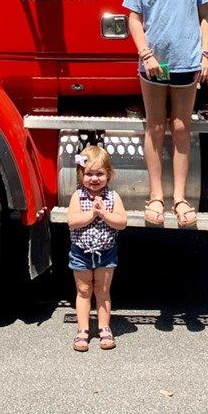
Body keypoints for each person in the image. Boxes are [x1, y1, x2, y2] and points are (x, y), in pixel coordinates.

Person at [123, 0, 208, 228]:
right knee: (156, 127)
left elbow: (206, 16)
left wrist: (207, 55)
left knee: (180, 128)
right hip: (155, 66)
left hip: (187, 64)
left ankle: (180, 198)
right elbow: (133, 19)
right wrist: (145, 54)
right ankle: (155, 197)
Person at [67, 145, 127, 352]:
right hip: (81, 253)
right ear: (80, 174)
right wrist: (91, 214)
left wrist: (105, 215)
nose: (94, 179)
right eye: (89, 173)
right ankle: (83, 330)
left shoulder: (113, 197)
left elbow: (121, 222)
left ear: (108, 175)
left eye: (99, 174)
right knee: (83, 291)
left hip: (106, 252)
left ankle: (104, 328)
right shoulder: (78, 197)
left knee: (102, 291)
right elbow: (72, 221)